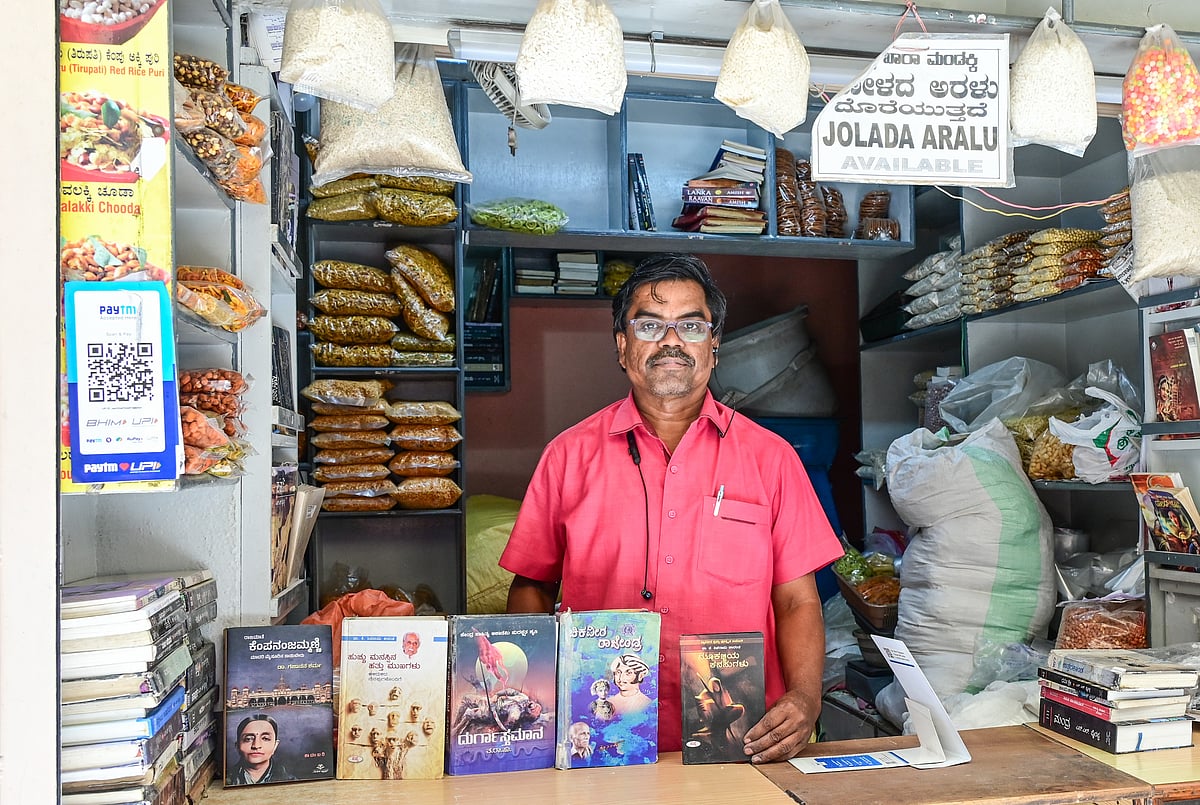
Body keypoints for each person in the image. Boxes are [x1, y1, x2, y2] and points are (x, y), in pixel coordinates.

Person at [501, 253, 842, 762]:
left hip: (740, 743)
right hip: (601, 740)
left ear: (714, 344)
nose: (671, 341)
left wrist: (806, 698)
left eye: (691, 325)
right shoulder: (567, 456)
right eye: (650, 325)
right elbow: (532, 584)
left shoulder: (772, 459)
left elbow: (796, 600)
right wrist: (535, 695)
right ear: (623, 346)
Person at [226, 714, 295, 785]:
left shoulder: (290, 782)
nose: (256, 746)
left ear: (275, 745)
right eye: (248, 739)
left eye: (265, 738)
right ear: (237, 746)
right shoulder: (227, 779)